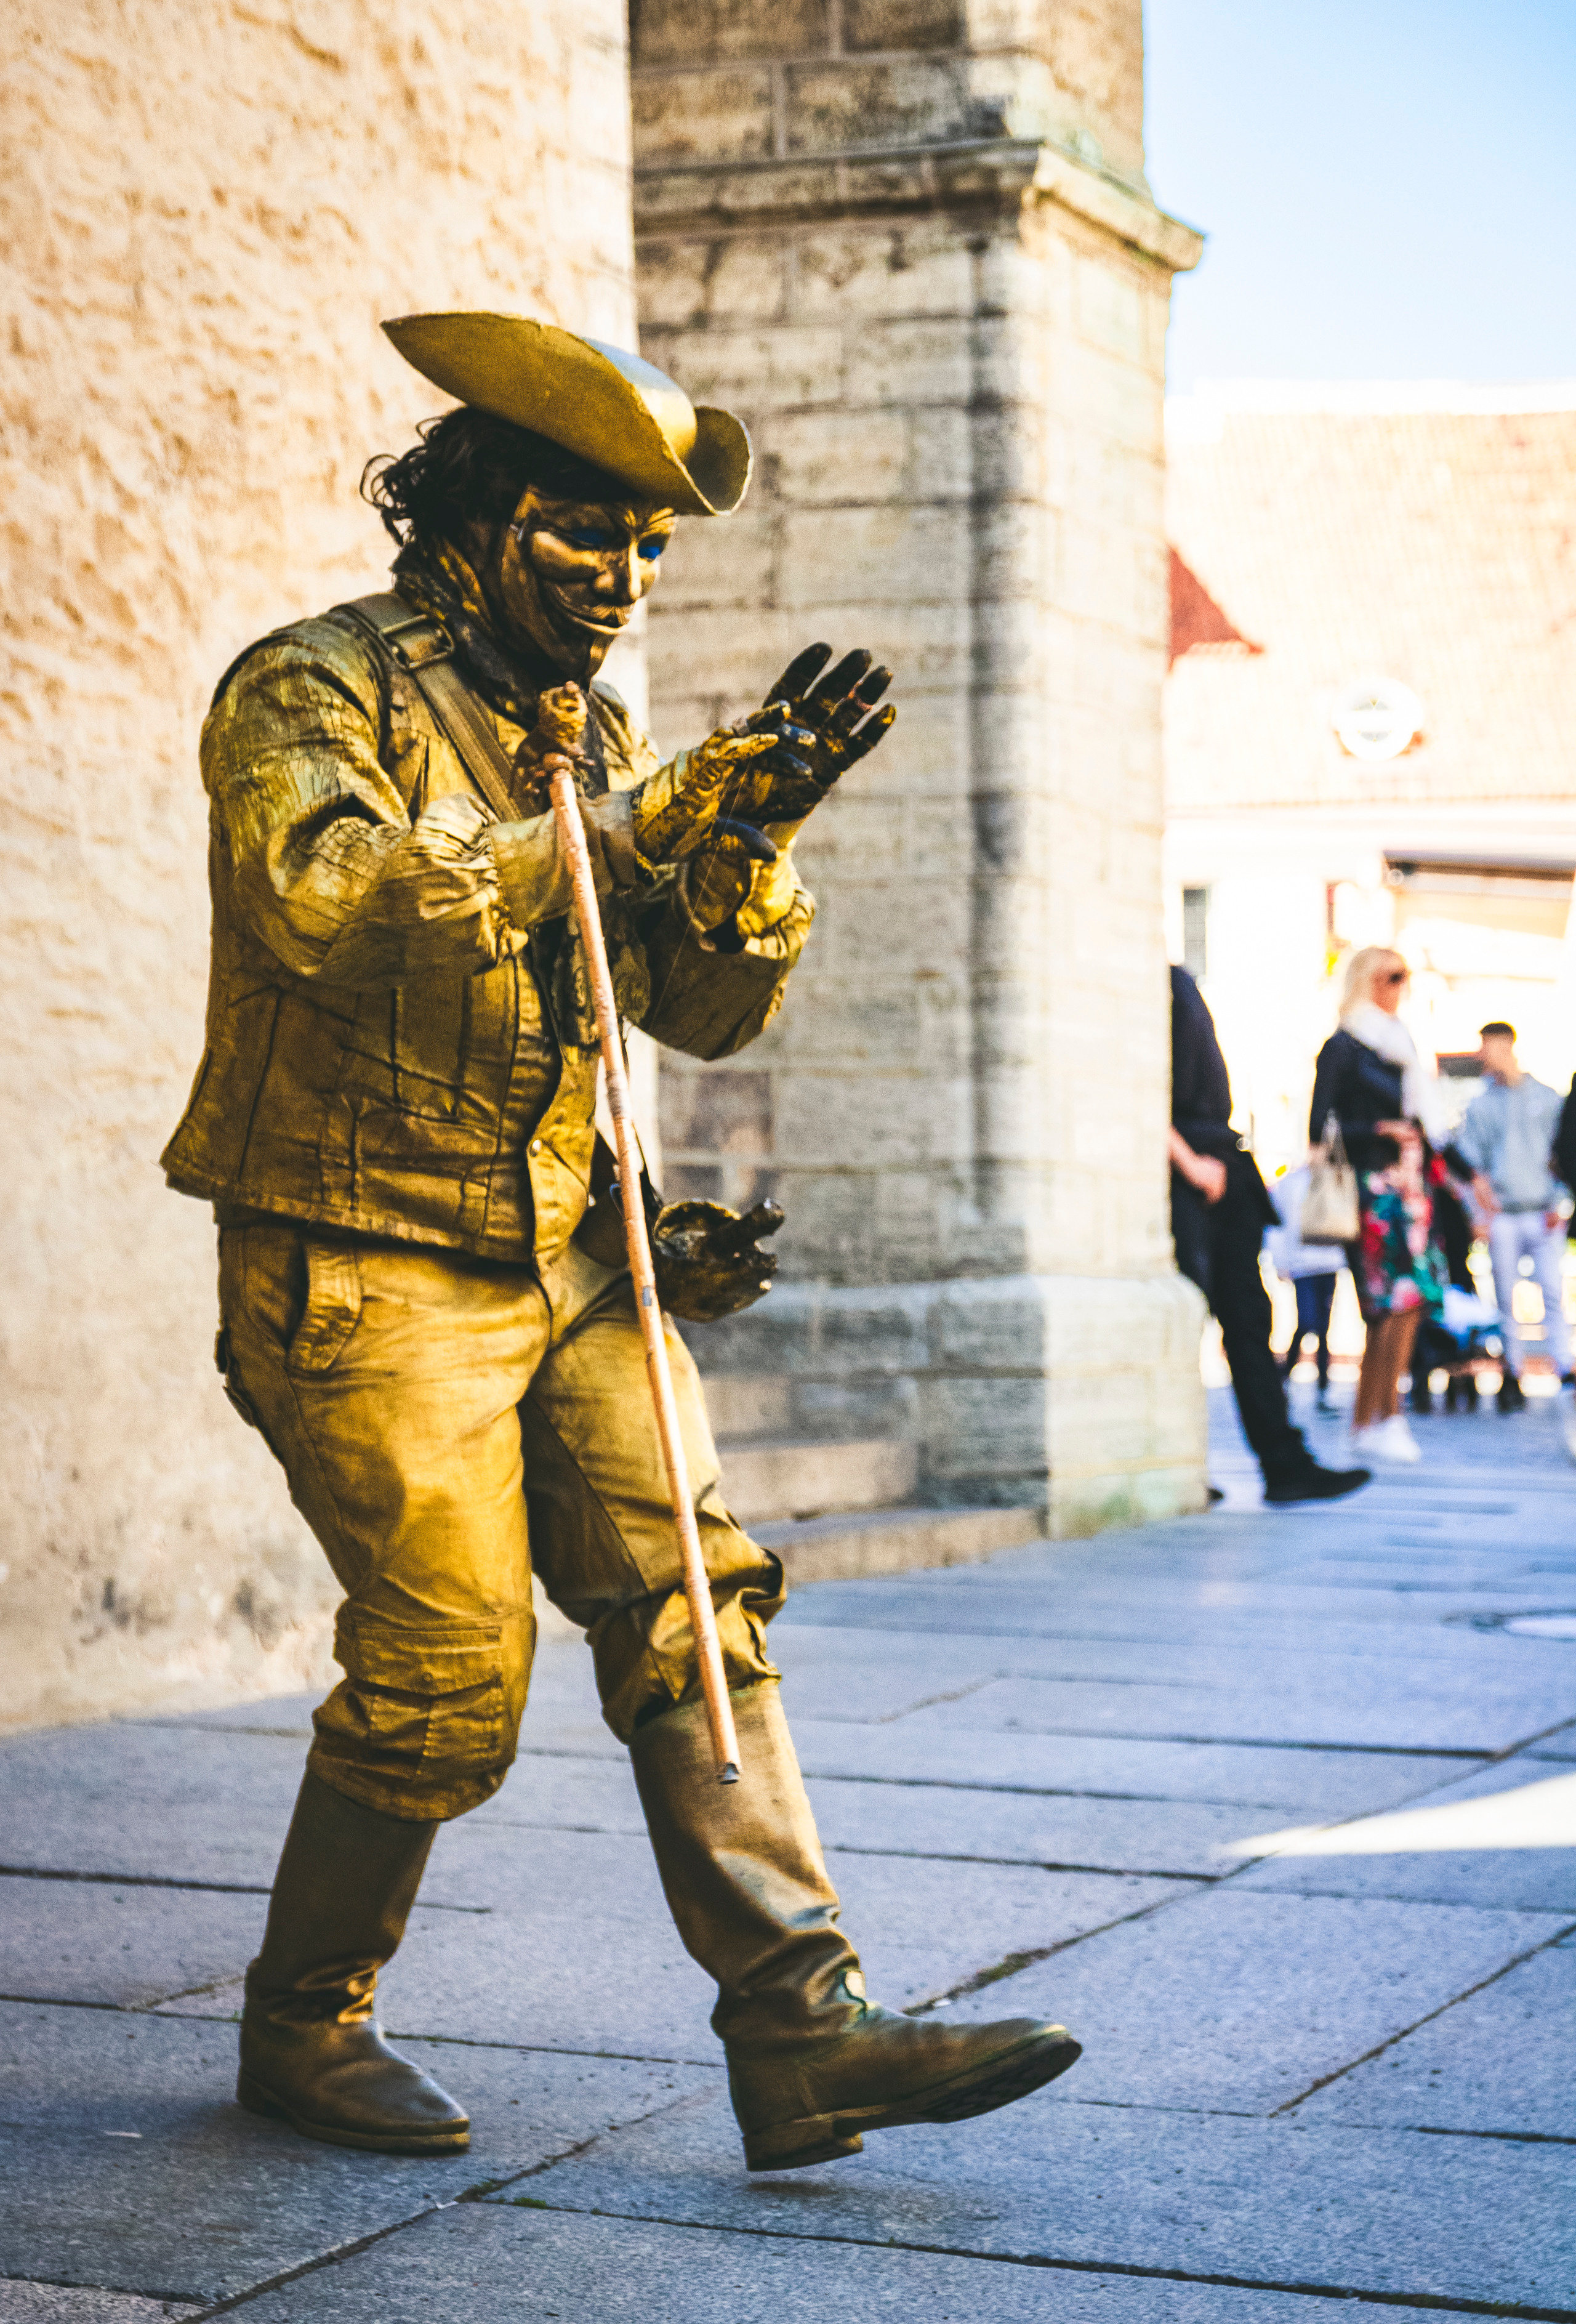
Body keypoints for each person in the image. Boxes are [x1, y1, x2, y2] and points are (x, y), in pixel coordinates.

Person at [160, 313, 1080, 2174]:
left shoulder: (585, 730)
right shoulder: (310, 692)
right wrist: (639, 808)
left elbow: (688, 1003)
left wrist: (747, 837)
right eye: (588, 531)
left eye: (650, 549)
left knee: (695, 1601)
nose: (624, 578)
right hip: (363, 1264)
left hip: (572, 1254)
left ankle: (800, 2027)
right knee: (442, 1682)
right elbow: (333, 905)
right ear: (473, 515)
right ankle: (303, 2018)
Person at [1169, 967, 1369, 1503]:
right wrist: (1187, 1162)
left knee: (1250, 1323)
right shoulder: (1137, 986)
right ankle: (1181, 1466)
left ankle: (1284, 1464)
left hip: (1221, 1166)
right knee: (1186, 1323)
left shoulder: (1169, 981)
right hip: (1194, 1171)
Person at [1309, 946, 1449, 1463]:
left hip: (1411, 1188)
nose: (1401, 987)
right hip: (1371, 1189)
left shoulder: (1402, 1046)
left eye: (1405, 977)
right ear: (1368, 980)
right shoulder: (1344, 1047)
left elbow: (1429, 1122)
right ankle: (1378, 1416)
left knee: (1409, 1302)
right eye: (1393, 977)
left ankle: (1378, 1417)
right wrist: (1378, 1128)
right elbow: (1320, 1127)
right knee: (1385, 1305)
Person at [1449, 1022, 1572, 1411]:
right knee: (1506, 1297)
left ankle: (1564, 1366)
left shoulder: (1546, 1098)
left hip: (1541, 1210)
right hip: (1501, 1212)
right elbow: (1471, 1166)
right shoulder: (1481, 1105)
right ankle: (1514, 1370)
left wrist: (1562, 1200)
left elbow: (1563, 1153)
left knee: (1552, 1290)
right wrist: (1478, 1213)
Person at [1266, 1166, 1343, 1411]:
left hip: (1329, 1262)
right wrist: (1280, 1262)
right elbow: (1278, 1223)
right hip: (1302, 1265)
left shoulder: (1336, 1177)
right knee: (1306, 1323)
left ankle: (1323, 1390)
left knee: (1323, 1329)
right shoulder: (1291, 1182)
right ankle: (1285, 1379)